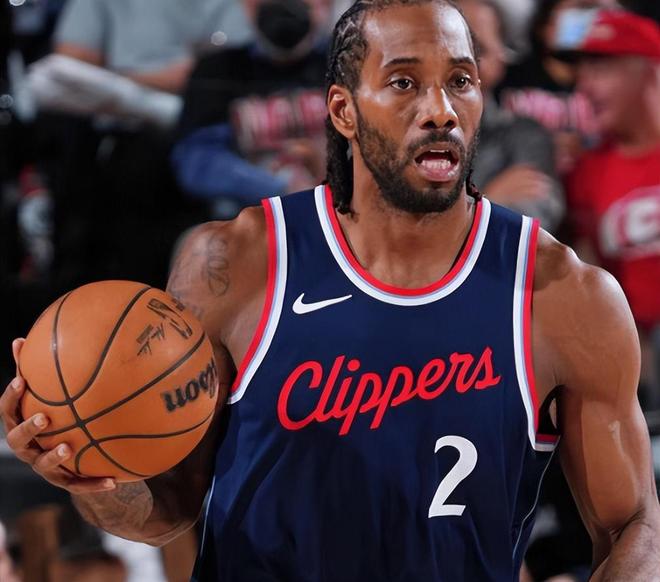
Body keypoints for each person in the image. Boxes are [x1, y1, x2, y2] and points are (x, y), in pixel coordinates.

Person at [1, 1, 660, 580]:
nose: (440, 110)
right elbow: (169, 506)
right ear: (344, 109)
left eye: (460, 81)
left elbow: (633, 525)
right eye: (403, 82)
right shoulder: (235, 263)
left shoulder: (564, 296)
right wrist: (94, 480)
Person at [558, 9, 660, 405]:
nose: (583, 86)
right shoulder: (582, 173)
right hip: (636, 368)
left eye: (600, 68)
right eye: (581, 71)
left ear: (648, 71)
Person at [172, 0, 331, 217]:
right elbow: (197, 160)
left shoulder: (347, 62)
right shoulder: (219, 69)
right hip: (253, 214)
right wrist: (278, 188)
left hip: (339, 206)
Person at [458, 0, 565, 232]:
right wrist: (489, 200)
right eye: (450, 46)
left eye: (478, 50)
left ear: (502, 57)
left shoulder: (525, 136)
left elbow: (531, 225)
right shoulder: (403, 132)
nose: (462, 61)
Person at [498, 0, 617, 176]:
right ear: (545, 25)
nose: (593, 19)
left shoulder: (617, 84)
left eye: (600, 11)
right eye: (583, 9)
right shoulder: (506, 75)